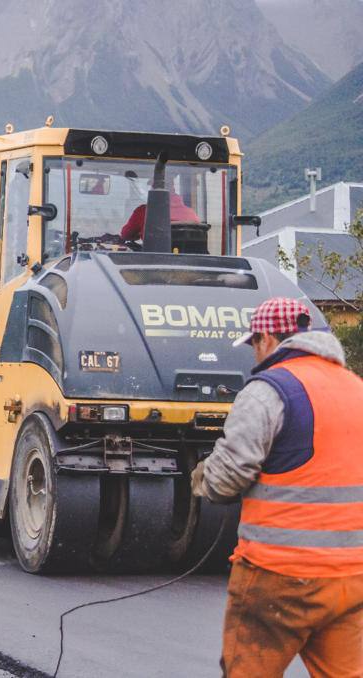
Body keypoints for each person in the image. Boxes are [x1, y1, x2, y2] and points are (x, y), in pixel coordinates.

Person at [191, 297, 363, 677]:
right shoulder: (356, 389)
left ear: (268, 339)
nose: (254, 352)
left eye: (254, 343)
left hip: (281, 577)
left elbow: (227, 477)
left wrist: (204, 477)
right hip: (351, 578)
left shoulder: (269, 391)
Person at [119, 189, 200, 241]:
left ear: (154, 191)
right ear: (174, 190)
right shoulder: (191, 214)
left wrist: (138, 234)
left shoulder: (144, 211)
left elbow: (126, 235)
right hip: (188, 263)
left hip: (152, 259)